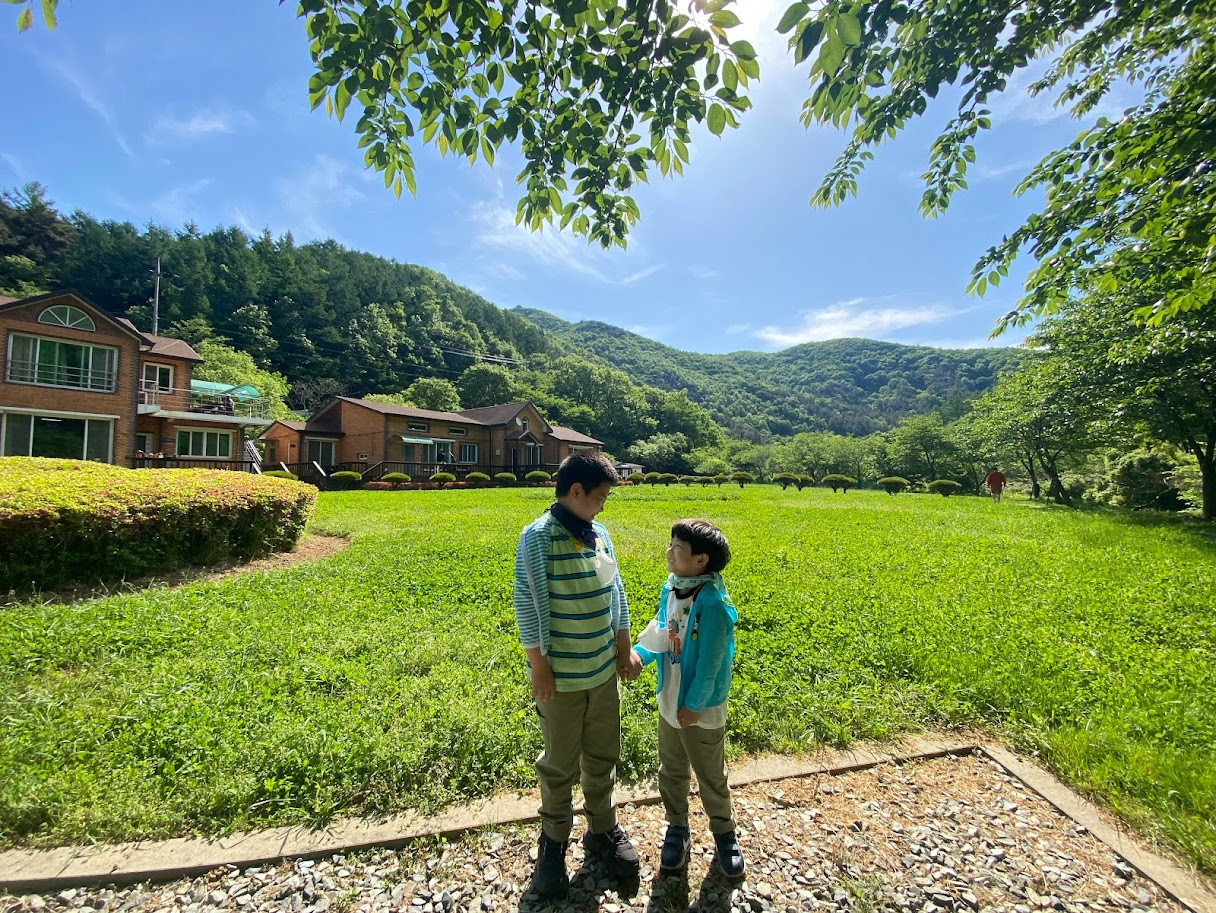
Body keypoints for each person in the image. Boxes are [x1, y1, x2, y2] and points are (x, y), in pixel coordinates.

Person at [513, 451, 642, 899]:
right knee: (559, 765)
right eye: (600, 496)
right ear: (575, 491)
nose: (603, 506)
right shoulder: (538, 537)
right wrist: (540, 667)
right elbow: (527, 604)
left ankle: (601, 829)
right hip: (561, 680)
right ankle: (552, 844)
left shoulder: (599, 534)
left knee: (603, 756)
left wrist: (624, 650)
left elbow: (616, 594)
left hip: (603, 674)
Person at [629, 519, 745, 879]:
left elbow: (712, 663)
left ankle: (724, 832)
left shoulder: (712, 604)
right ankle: (677, 826)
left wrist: (694, 705)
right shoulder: (672, 588)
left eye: (677, 548)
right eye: (671, 545)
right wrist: (639, 655)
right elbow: (662, 629)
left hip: (701, 707)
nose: (668, 552)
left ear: (700, 560)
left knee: (711, 773)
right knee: (672, 768)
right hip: (670, 698)